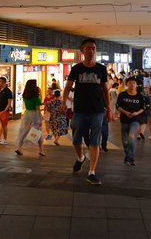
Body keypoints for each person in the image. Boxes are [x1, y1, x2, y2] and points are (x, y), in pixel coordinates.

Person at [62, 38, 111, 186]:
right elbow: (68, 87)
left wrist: (109, 109)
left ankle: (91, 172)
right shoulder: (76, 69)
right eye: (88, 48)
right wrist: (63, 103)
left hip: (97, 111)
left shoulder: (101, 69)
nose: (91, 51)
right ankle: (80, 157)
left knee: (95, 142)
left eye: (93, 48)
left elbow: (105, 90)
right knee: (76, 140)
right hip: (80, 111)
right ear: (82, 51)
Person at [116, 77, 146, 166]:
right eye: (130, 83)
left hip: (135, 120)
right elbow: (118, 106)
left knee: (131, 136)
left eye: (134, 83)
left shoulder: (140, 96)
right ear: (127, 84)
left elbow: (143, 108)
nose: (132, 84)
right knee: (125, 141)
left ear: (136, 85)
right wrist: (126, 112)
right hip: (124, 119)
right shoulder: (122, 95)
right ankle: (127, 155)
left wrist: (136, 113)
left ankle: (131, 158)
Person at [14, 79, 45, 157]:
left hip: (27, 114)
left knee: (24, 132)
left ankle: (19, 148)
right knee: (38, 132)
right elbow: (37, 109)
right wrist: (40, 119)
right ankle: (41, 150)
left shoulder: (25, 96)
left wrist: (43, 103)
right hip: (35, 115)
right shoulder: (36, 97)